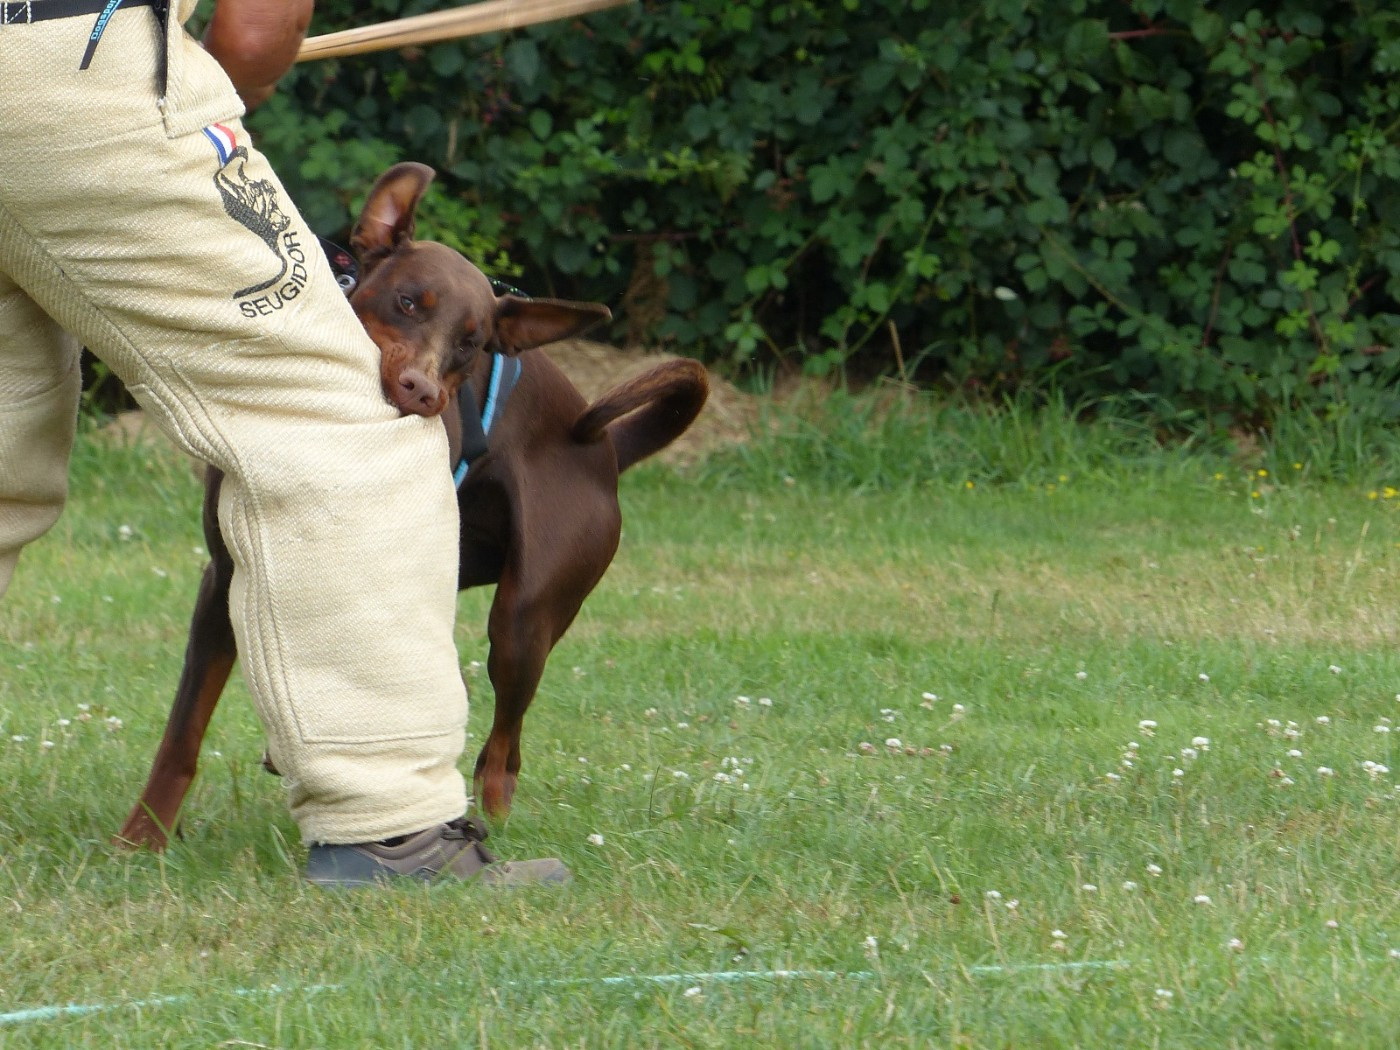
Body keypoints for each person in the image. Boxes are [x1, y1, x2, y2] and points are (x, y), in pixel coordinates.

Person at [0, 0, 568, 888]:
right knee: (351, 417)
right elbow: (259, 29)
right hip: (59, 67)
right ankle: (390, 837)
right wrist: (220, 74)